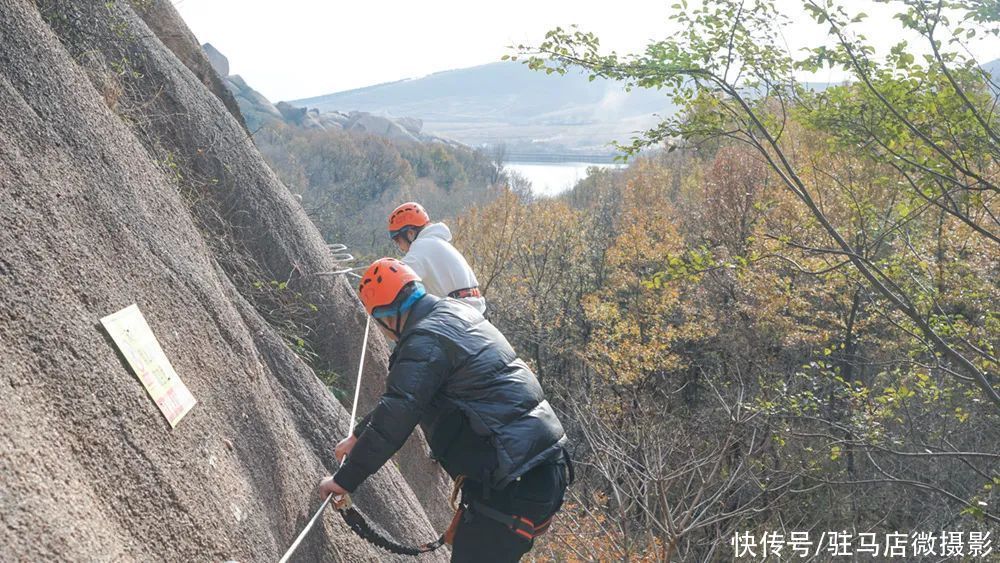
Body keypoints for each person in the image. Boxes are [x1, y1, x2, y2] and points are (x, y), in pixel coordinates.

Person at [319, 258, 570, 562]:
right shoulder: (453, 313)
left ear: (387, 317)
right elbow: (410, 399)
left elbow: (399, 414)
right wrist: (359, 435)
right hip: (537, 467)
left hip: (513, 482)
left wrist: (345, 480)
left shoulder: (423, 341)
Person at [387, 202, 487, 315]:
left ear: (410, 234)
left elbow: (394, 280)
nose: (400, 247)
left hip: (459, 315)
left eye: (398, 241)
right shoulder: (437, 242)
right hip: (476, 311)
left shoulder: (421, 246)